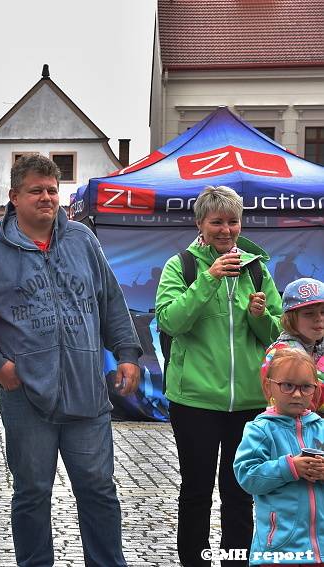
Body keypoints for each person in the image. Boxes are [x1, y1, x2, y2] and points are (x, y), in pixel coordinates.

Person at [0, 154, 141, 567]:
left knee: (99, 489)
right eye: (36, 191)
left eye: (52, 190)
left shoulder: (82, 240)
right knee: (31, 493)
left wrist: (127, 353)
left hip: (86, 394)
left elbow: (111, 301)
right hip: (26, 396)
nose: (47, 198)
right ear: (14, 197)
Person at [155, 184, 282, 566]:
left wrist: (260, 318)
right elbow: (170, 320)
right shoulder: (182, 266)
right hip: (194, 401)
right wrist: (208, 279)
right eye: (217, 222)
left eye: (233, 221)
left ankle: (234, 562)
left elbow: (278, 335)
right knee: (196, 491)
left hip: (250, 401)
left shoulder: (257, 270)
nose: (226, 230)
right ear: (200, 224)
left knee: (240, 493)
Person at [234, 348, 324, 567]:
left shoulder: (321, 428)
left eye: (305, 387)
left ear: (315, 390)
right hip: (278, 550)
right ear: (269, 386)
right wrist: (290, 467)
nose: (296, 394)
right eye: (288, 385)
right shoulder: (260, 430)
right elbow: (247, 476)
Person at [261, 278, 324, 389]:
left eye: (323, 312)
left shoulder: (318, 347)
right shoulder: (283, 354)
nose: (319, 318)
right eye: (309, 313)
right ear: (291, 319)